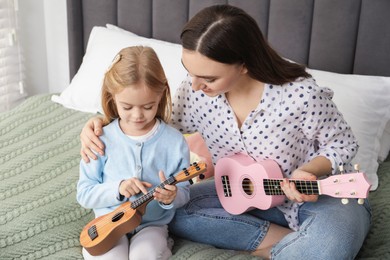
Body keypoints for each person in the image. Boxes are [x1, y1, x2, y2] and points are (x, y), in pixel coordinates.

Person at [79, 5, 371, 260]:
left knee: (333, 245)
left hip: (319, 196)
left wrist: (307, 170)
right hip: (241, 195)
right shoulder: (195, 93)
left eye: (208, 78)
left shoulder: (300, 95)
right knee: (168, 212)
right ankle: (288, 244)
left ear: (244, 65)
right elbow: (151, 121)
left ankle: (283, 246)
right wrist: (99, 124)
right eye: (189, 71)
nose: (193, 85)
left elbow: (342, 143)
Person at [77, 46, 191, 260]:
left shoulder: (175, 142)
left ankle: (163, 244)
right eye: (127, 107)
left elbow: (185, 192)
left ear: (162, 94)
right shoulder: (100, 139)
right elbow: (84, 193)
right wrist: (117, 189)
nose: (138, 115)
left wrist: (171, 197)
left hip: (152, 226)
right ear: (112, 97)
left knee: (144, 256)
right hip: (107, 223)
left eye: (148, 106)